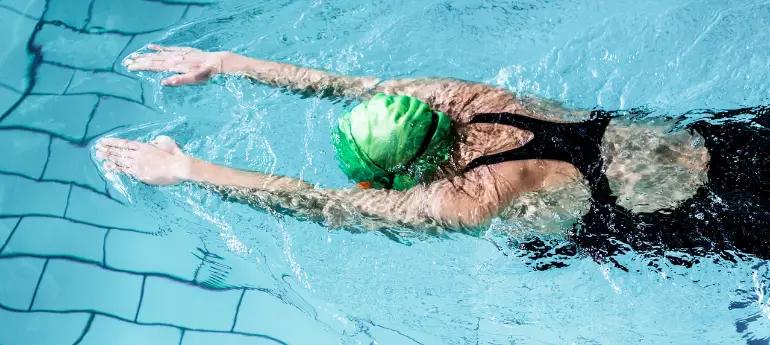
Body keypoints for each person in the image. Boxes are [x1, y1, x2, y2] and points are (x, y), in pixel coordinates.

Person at [97, 45, 769, 259]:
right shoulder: (458, 96)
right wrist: (228, 62)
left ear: (407, 174)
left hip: (694, 216)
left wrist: (187, 169)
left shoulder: (463, 197)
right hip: (712, 141)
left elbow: (311, 201)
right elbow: (340, 85)